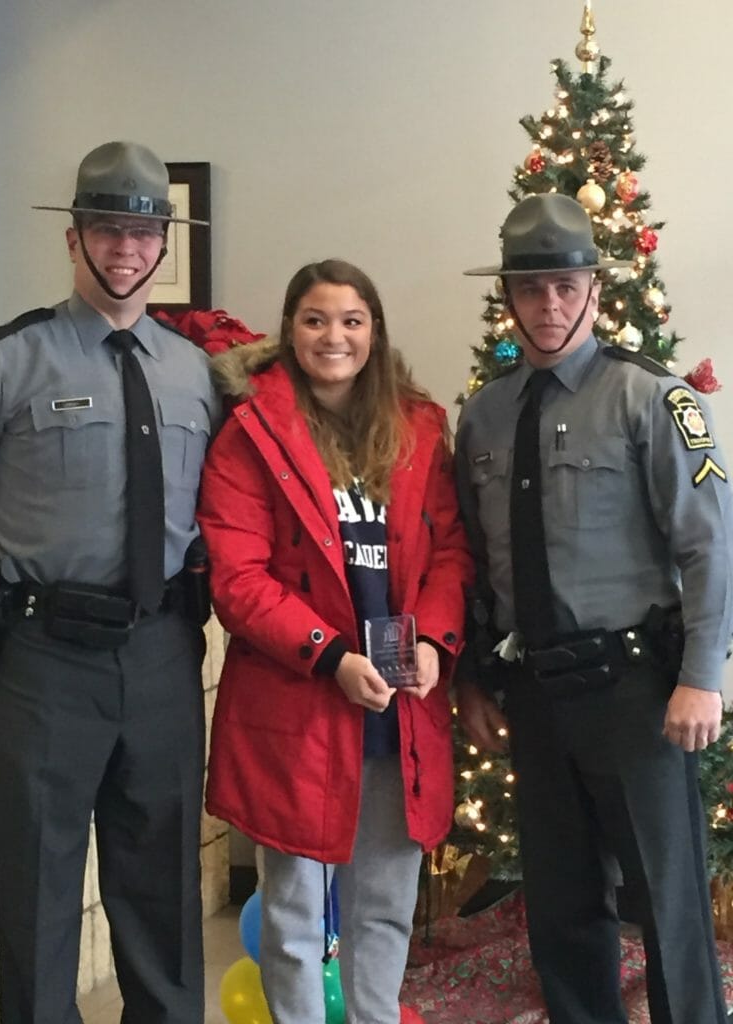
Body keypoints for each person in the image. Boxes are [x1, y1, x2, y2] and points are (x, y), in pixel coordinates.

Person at [454, 192, 733, 1024]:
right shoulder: (485, 414)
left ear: (596, 292)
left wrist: (702, 677)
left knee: (668, 900)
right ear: (508, 295)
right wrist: (472, 677)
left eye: (567, 287)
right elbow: (473, 561)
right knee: (562, 905)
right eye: (532, 289)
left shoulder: (652, 399)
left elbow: (710, 547)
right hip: (535, 694)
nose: (550, 306)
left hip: (636, 694)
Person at [0, 141, 221, 1024]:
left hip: (158, 657)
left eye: (143, 229)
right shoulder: (1, 364)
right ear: (73, 240)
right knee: (38, 891)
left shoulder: (195, 372)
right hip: (40, 661)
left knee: (164, 886)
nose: (125, 246)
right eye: (106, 227)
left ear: (162, 245)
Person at [197, 258, 473, 1024]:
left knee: (383, 903)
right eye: (316, 319)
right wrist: (329, 655)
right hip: (299, 701)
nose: (334, 336)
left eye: (352, 320)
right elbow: (239, 577)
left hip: (400, 705)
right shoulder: (250, 432)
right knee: (292, 913)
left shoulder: (418, 427)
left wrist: (436, 646)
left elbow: (450, 551)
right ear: (290, 329)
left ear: (374, 333)